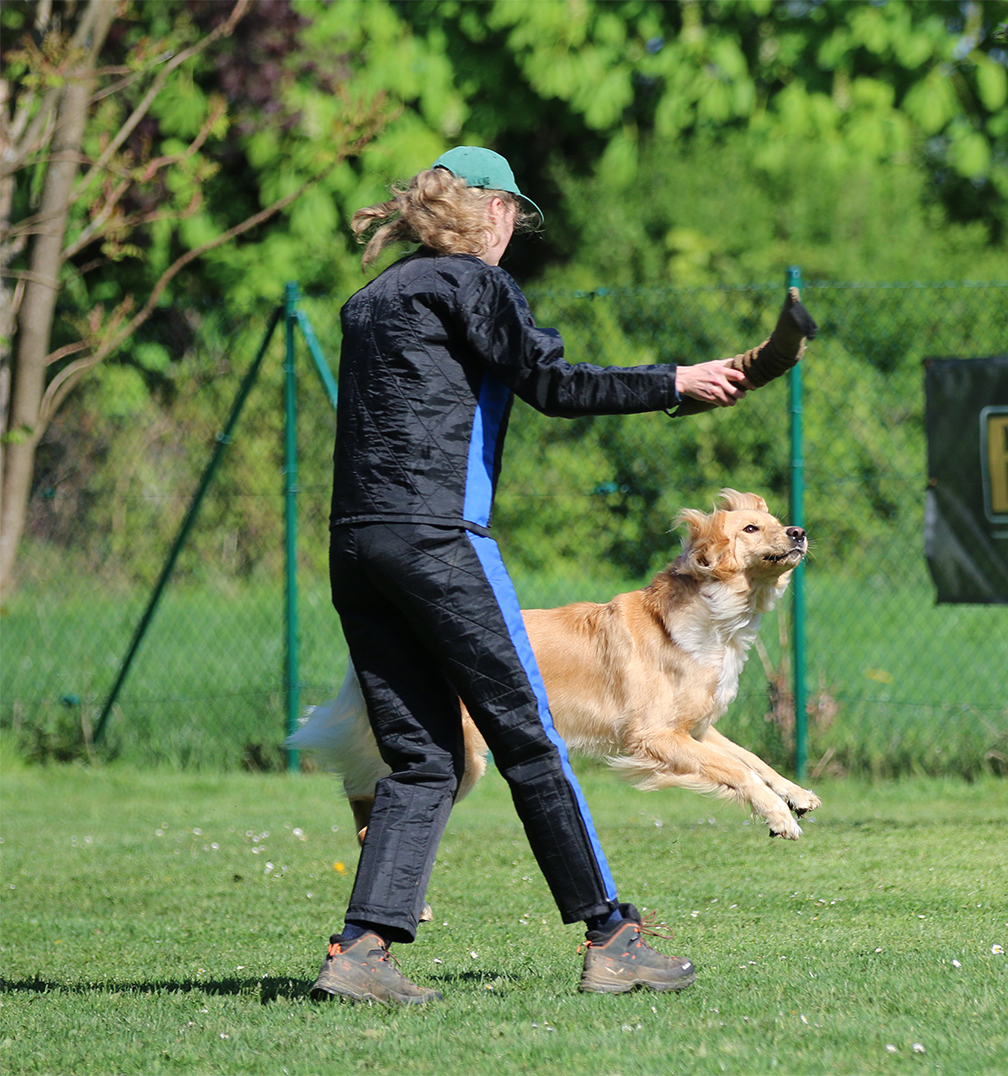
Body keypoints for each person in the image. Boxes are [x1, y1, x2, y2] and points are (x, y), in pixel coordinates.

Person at [309, 146, 749, 1005]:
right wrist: (673, 381)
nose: (514, 230)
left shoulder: (372, 299)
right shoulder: (475, 283)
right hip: (439, 539)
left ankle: (361, 952)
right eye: (514, 213)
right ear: (494, 211)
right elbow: (553, 383)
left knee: (425, 758)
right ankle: (612, 938)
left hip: (356, 546)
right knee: (530, 736)